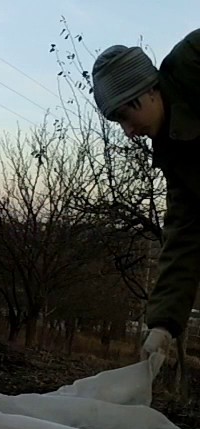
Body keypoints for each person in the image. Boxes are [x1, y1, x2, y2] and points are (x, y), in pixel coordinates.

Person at [91, 30, 200, 361]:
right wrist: (163, 325)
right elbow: (184, 234)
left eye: (126, 115)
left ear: (146, 92)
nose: (129, 131)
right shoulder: (175, 153)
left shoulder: (192, 61)